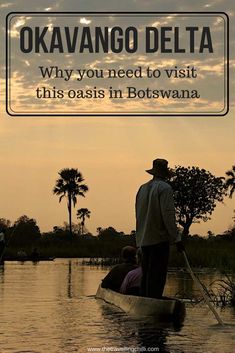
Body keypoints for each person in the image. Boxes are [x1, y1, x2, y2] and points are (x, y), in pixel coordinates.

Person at [135, 158, 184, 299]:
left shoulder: (142, 188)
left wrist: (139, 239)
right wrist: (177, 238)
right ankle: (152, 304)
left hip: (144, 240)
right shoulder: (165, 188)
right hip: (159, 240)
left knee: (146, 275)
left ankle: (144, 302)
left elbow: (138, 215)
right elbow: (168, 216)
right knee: (157, 276)